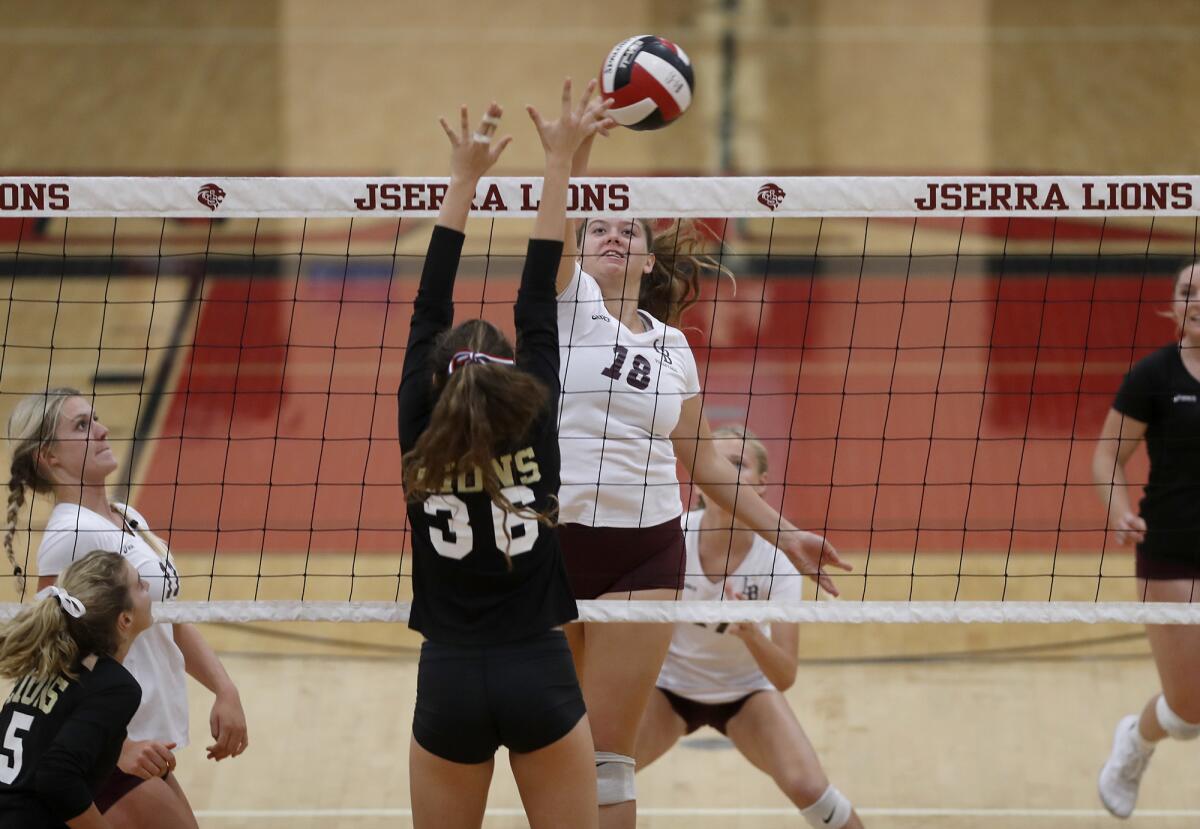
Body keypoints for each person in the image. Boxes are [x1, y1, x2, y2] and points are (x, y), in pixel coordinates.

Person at [555, 135, 853, 829]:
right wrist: (572, 157)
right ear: (578, 244)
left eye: (629, 228)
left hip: (644, 550)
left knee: (606, 758)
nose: (613, 233)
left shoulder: (673, 346)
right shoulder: (564, 307)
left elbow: (707, 463)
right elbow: (557, 216)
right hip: (557, 545)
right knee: (561, 745)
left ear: (647, 257)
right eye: (598, 224)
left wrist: (787, 534)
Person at [398, 81, 612, 829]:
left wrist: (462, 179)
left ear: (434, 378)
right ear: (515, 376)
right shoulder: (539, 417)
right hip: (539, 673)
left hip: (449, 677)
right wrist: (558, 163)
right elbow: (536, 296)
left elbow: (429, 304)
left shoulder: (419, 436)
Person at [5, 389, 248, 829]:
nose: (101, 429)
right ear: (49, 458)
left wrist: (224, 687)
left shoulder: (124, 516)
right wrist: (115, 749)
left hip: (136, 738)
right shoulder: (72, 532)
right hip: (109, 742)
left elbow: (166, 616)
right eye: (81, 426)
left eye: (95, 418)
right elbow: (45, 649)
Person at [634, 426, 863, 829]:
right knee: (598, 777)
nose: (725, 472)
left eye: (738, 464)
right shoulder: (671, 539)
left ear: (760, 486)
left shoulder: (778, 560)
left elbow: (784, 675)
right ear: (701, 483)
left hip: (746, 694)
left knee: (811, 789)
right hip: (668, 689)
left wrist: (752, 633)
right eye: (716, 463)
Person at [1093, 260, 1200, 818]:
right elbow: (1107, 455)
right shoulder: (1154, 376)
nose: (1198, 300)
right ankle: (1137, 741)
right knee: (1188, 711)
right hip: (1172, 552)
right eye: (1189, 291)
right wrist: (1118, 510)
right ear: (1174, 304)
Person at [0, 551, 152, 828]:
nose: (149, 588)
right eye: (140, 584)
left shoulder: (45, 666)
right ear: (125, 620)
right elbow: (56, 776)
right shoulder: (117, 686)